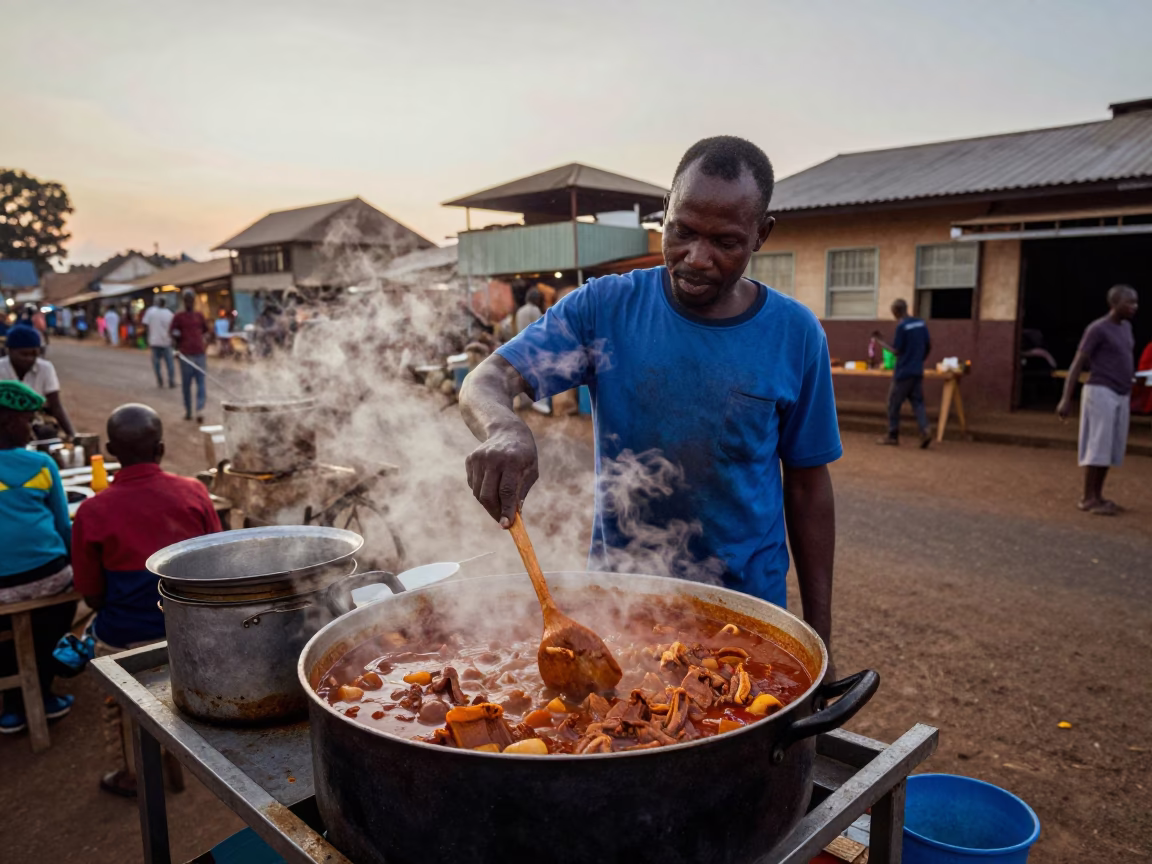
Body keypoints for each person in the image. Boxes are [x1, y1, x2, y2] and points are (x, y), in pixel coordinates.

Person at [460, 136, 841, 649]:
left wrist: (819, 638)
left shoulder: (795, 334)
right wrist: (503, 426)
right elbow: (485, 379)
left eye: (725, 242)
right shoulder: (604, 308)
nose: (697, 258)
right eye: (682, 231)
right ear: (665, 211)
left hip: (747, 616)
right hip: (622, 602)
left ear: (761, 235)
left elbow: (808, 488)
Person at [72, 403, 221, 795]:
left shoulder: (91, 510)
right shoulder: (193, 492)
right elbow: (219, 566)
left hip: (125, 638)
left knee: (113, 694)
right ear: (161, 448)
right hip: (187, 631)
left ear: (110, 450)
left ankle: (132, 774)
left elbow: (90, 593)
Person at [0, 380, 77, 734]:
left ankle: (13, 707)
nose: (32, 429)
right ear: (6, 423)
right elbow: (63, 527)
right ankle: (43, 691)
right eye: (27, 421)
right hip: (49, 578)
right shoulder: (41, 464)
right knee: (55, 616)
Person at [1057, 285, 1139, 515]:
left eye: (1136, 302)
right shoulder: (1097, 329)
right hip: (1101, 391)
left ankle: (1098, 495)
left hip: (1122, 392)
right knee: (1098, 445)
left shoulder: (1127, 329)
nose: (1134, 307)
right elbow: (1077, 363)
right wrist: (1066, 398)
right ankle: (1087, 498)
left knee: (1112, 447)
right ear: (1114, 304)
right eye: (1129, 302)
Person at [870, 299, 933, 448]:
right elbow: (929, 345)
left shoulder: (902, 327)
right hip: (917, 371)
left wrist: (880, 341)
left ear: (896, 311)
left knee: (893, 403)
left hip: (903, 372)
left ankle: (892, 435)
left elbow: (896, 350)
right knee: (918, 403)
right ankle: (925, 430)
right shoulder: (920, 323)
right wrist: (920, 360)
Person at [0, 325, 76, 439]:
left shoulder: (45, 368)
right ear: (9, 351)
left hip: (34, 423)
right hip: (3, 424)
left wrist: (72, 435)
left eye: (34, 354)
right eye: (24, 354)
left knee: (49, 433)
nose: (29, 359)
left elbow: (56, 405)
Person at [170, 289, 209, 422]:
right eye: (187, 299)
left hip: (199, 353)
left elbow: (205, 331)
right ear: (184, 301)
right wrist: (176, 348)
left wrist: (205, 345)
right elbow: (174, 334)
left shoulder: (199, 316)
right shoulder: (178, 317)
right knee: (186, 384)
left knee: (201, 383)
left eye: (191, 299)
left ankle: (200, 410)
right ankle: (188, 411)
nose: (189, 302)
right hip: (185, 355)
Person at [141, 295, 176, 388]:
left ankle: (160, 380)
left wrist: (148, 336)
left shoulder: (150, 312)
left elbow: (145, 325)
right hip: (166, 342)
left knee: (156, 364)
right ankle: (171, 381)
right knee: (170, 363)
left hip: (154, 341)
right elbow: (173, 329)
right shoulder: (169, 314)